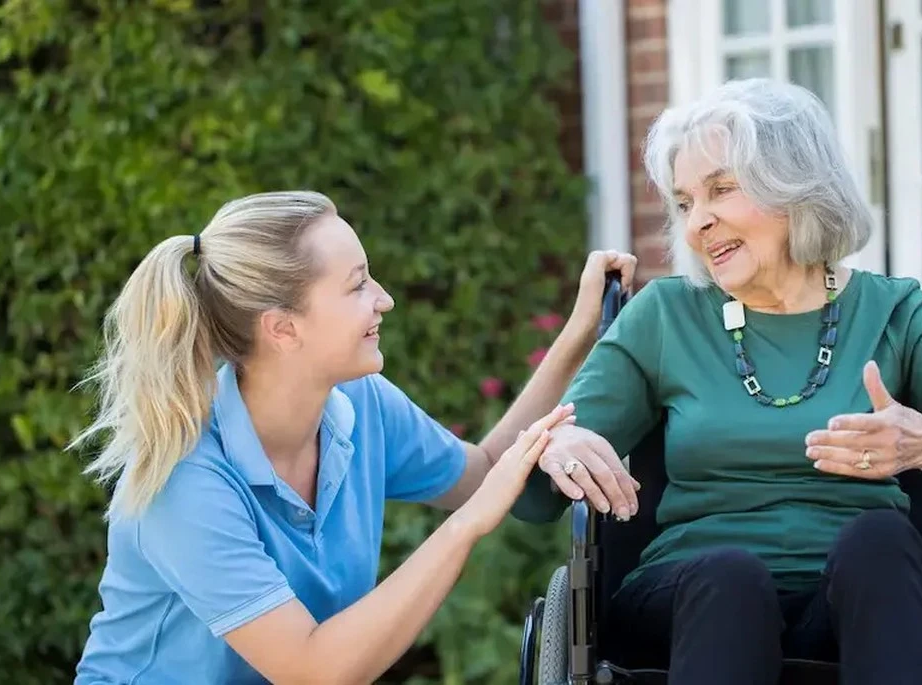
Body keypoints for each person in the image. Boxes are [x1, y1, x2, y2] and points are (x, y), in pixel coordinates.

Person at [511, 78, 922, 685]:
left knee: (880, 542)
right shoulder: (665, 317)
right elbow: (533, 499)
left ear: (796, 185)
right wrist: (554, 446)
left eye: (721, 189)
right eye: (686, 202)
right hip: (695, 598)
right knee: (731, 579)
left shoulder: (894, 311)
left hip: (865, 600)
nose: (698, 223)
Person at [70, 189, 640, 685]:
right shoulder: (184, 480)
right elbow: (316, 670)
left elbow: (485, 470)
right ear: (283, 328)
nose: (383, 299)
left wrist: (578, 334)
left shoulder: (358, 406)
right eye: (358, 284)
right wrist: (467, 526)